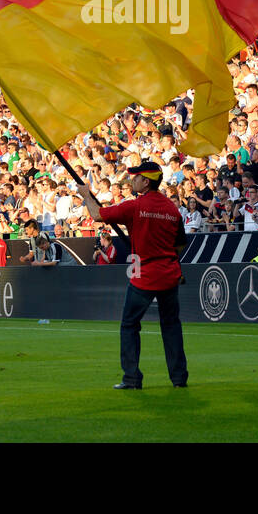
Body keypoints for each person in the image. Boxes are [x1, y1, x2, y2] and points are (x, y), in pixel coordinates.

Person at [81, 160, 188, 390]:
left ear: (145, 181)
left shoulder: (134, 206)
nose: (132, 180)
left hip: (145, 274)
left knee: (130, 324)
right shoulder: (172, 208)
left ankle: (131, 378)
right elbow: (179, 245)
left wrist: (86, 194)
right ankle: (179, 379)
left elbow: (96, 215)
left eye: (136, 177)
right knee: (171, 325)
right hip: (169, 272)